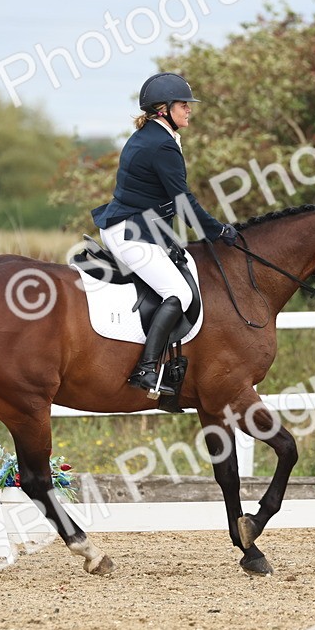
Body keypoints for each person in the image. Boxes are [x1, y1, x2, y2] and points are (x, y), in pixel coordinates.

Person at [91, 72, 238, 410]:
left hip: (139, 226)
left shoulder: (153, 135)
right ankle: (145, 370)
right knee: (179, 293)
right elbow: (182, 201)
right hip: (131, 232)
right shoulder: (161, 144)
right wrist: (216, 231)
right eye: (183, 104)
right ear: (163, 109)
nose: (189, 109)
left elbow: (161, 201)